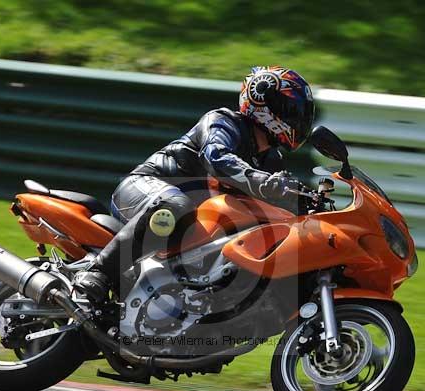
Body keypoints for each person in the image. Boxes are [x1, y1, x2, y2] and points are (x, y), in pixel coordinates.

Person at [74, 66, 316, 303]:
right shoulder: (223, 122)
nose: (298, 119)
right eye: (291, 110)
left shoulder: (270, 160)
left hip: (192, 223)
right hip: (145, 187)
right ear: (262, 101)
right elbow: (217, 158)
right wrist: (263, 181)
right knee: (174, 206)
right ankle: (98, 272)